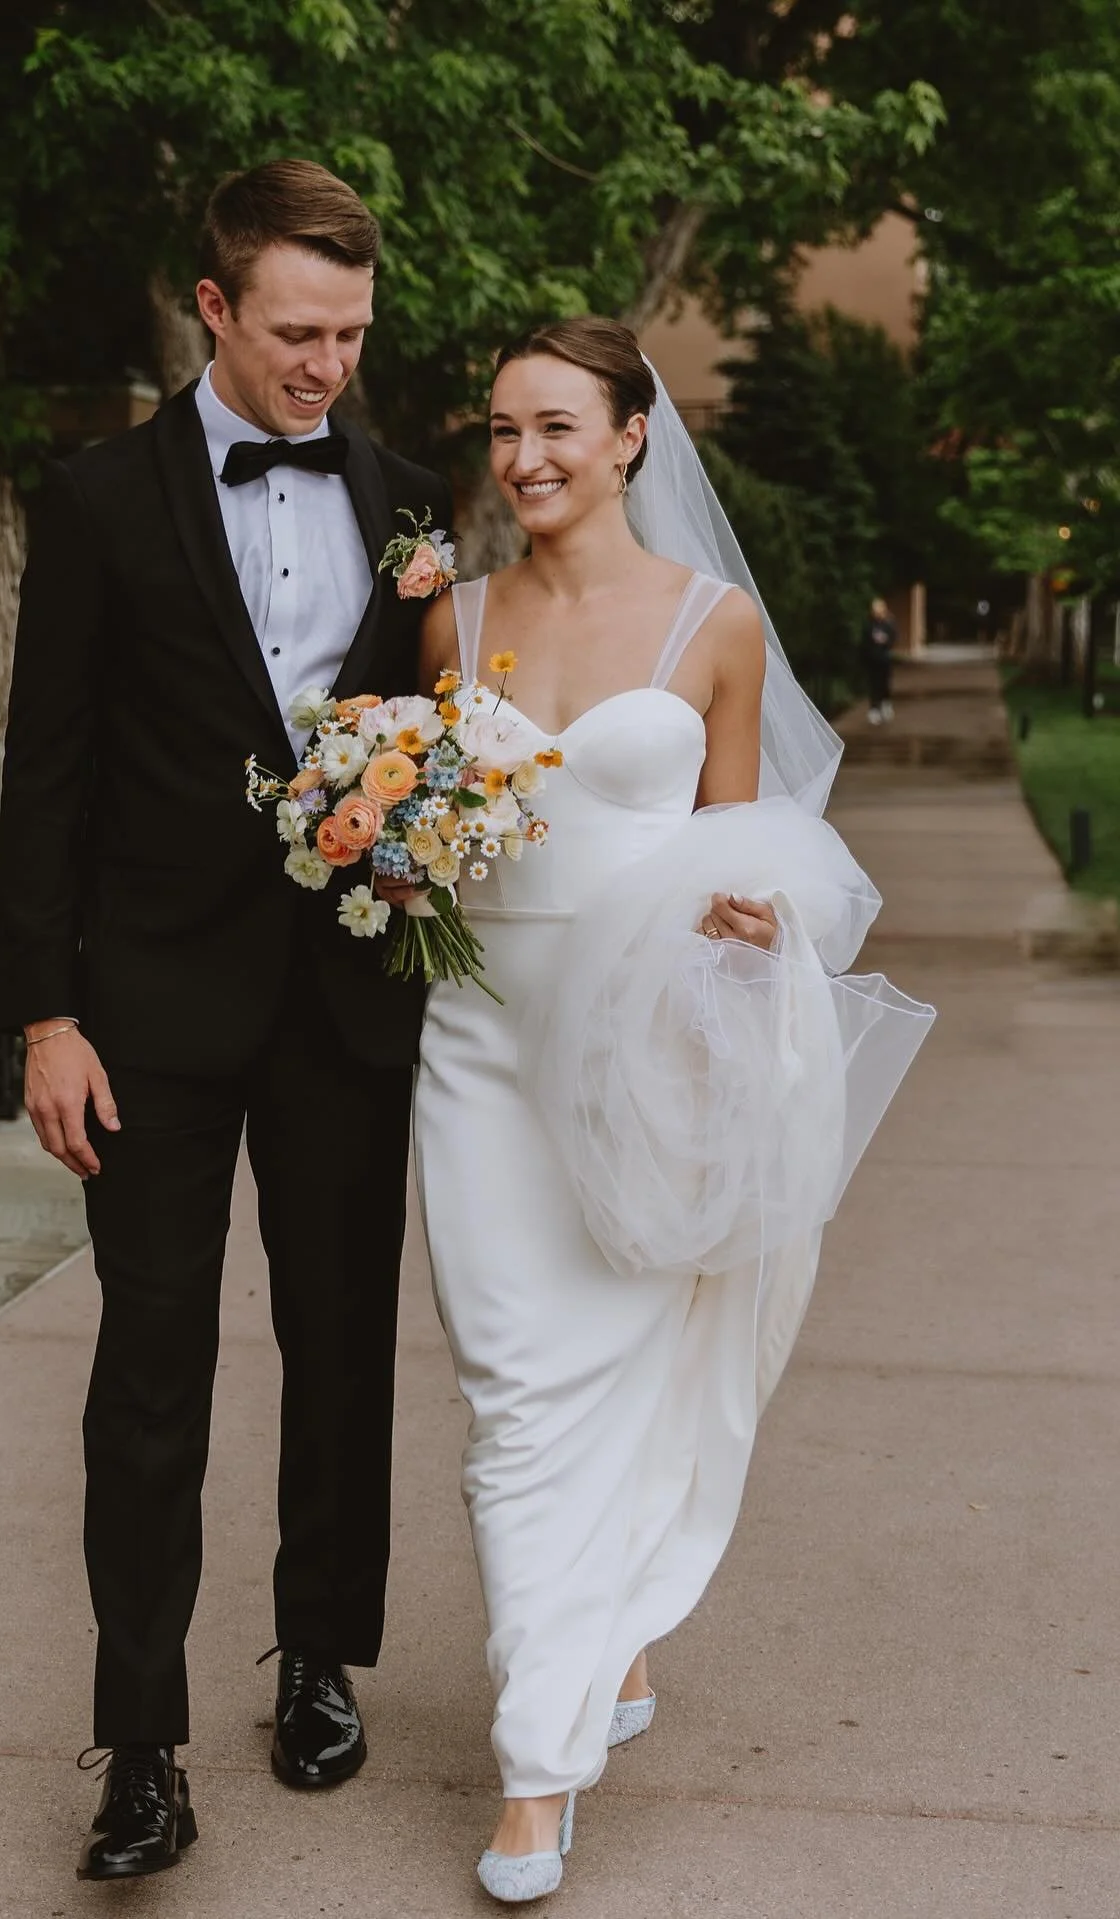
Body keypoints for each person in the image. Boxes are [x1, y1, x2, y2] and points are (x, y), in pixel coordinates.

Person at [412, 319, 932, 1903]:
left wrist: (762, 918)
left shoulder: (717, 626)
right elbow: (432, 825)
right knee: (512, 1387)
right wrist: (388, 845)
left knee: (631, 1360)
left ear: (632, 434)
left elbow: (741, 840)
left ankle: (543, 1753)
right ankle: (549, 1736)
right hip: (479, 1042)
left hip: (639, 1048)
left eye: (557, 426)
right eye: (504, 430)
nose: (525, 458)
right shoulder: (452, 619)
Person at [0, 159, 451, 1882]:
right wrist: (46, 1009)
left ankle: (320, 1652)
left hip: (345, 1003)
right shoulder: (98, 496)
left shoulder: (410, 502)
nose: (326, 365)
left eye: (351, 333)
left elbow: (434, 742)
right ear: (213, 307)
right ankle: (140, 1744)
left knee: (340, 1344)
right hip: (150, 1011)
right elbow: (47, 772)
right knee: (149, 1371)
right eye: (295, 331)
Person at [862, 595, 897, 723]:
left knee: (885, 683)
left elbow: (893, 638)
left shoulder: (889, 624)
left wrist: (885, 641)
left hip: (885, 659)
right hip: (872, 660)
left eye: (879, 609)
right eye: (875, 610)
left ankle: (886, 705)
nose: (877, 612)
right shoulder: (869, 625)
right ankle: (874, 709)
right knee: (874, 685)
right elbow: (864, 641)